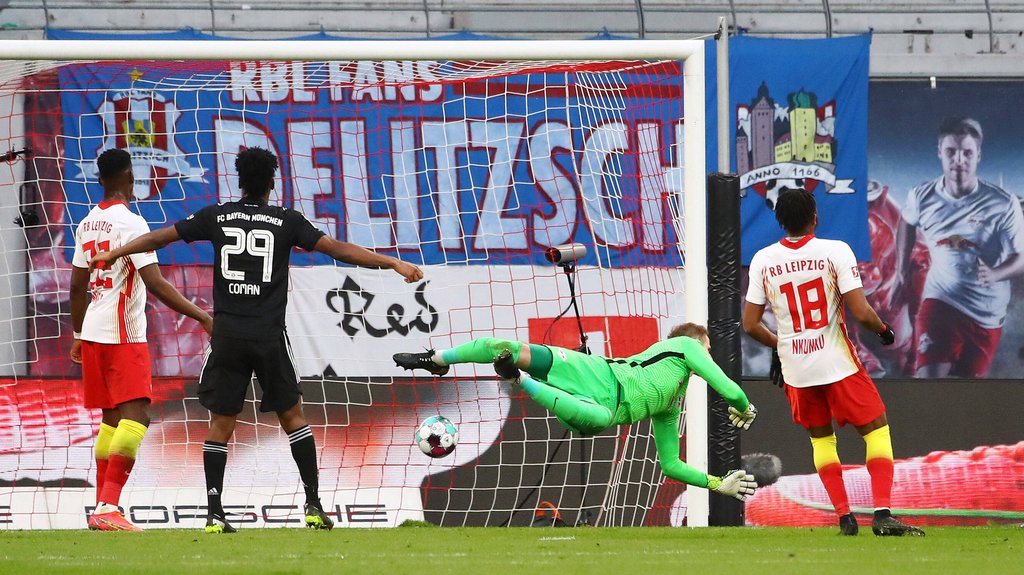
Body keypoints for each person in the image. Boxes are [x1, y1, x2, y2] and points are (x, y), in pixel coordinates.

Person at [90, 147, 423, 533]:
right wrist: (393, 262)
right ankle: (313, 506)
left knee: (221, 424)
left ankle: (215, 515)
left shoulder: (218, 215)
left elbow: (162, 238)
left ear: (240, 181)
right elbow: (339, 250)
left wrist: (117, 251)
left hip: (228, 334)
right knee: (293, 418)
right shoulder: (286, 221)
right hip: (268, 335)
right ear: (271, 183)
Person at [394, 323, 760, 501]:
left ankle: (517, 379)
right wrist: (743, 405)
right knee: (505, 346)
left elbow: (671, 465)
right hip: (595, 372)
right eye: (708, 350)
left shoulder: (669, 403)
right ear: (697, 345)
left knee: (601, 419)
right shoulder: (684, 345)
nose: (708, 356)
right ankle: (437, 359)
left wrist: (716, 484)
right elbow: (729, 389)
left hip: (591, 409)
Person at [742, 188, 924, 537]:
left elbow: (750, 325)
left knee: (822, 441)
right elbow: (861, 311)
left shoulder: (764, 259)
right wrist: (885, 332)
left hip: (796, 367)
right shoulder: (835, 251)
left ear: (780, 221)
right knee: (877, 429)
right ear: (814, 218)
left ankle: (845, 519)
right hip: (836, 361)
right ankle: (883, 514)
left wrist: (781, 346)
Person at [70, 148, 213, 532]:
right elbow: (156, 284)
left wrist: (78, 335)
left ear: (100, 180)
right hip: (122, 334)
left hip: (95, 332)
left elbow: (76, 287)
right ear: (130, 181)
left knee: (111, 421)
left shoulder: (86, 223)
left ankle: (102, 508)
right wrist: (202, 315)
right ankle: (107, 507)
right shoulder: (132, 224)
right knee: (137, 417)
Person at [894, 116, 1024, 378]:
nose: (959, 160)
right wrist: (900, 268)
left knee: (967, 394)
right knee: (930, 384)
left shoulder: (1003, 204)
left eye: (967, 152)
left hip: (986, 313)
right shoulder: (922, 196)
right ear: (940, 153)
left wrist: (995, 274)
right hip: (941, 301)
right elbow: (906, 223)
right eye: (951, 151)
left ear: (978, 156)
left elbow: (1021, 257)